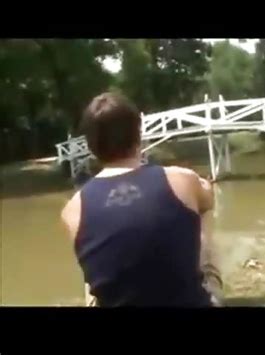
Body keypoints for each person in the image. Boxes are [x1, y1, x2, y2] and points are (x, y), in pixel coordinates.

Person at [60, 92, 222, 307]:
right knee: (201, 210)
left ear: (90, 146)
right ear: (138, 133)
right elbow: (208, 199)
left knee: (92, 264)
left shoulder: (73, 209)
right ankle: (206, 282)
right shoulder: (180, 179)